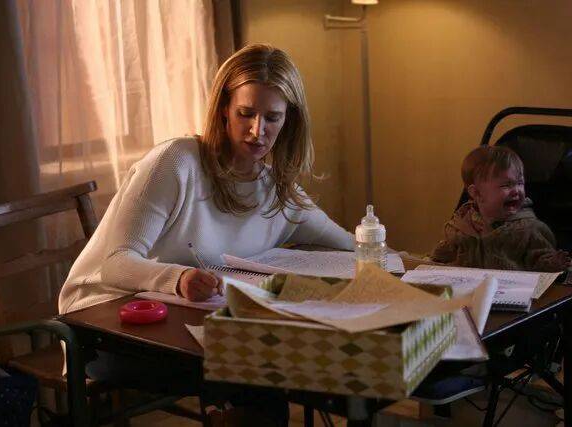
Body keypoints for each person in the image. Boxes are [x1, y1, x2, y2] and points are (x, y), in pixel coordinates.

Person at [58, 43, 354, 426]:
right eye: (246, 113)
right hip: (103, 325)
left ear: (290, 121)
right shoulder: (176, 163)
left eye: (272, 118)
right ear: (224, 108)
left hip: (186, 322)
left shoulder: (275, 187)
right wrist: (179, 278)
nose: (257, 131)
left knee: (269, 368)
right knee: (257, 372)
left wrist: (404, 263)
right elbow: (115, 264)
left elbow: (350, 244)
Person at [430, 145, 569, 272]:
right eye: (506, 185)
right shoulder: (461, 225)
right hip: (466, 287)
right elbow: (446, 253)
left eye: (520, 183)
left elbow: (540, 260)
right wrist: (435, 259)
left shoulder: (529, 229)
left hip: (510, 289)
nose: (516, 190)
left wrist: (552, 263)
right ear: (477, 193)